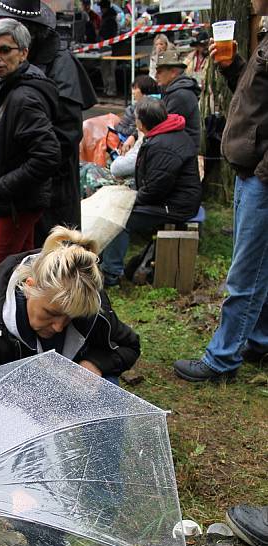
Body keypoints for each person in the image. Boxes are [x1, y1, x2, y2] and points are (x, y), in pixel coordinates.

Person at [174, 5, 268, 383]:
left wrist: (263, 174)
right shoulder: (265, 31)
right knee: (261, 265)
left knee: (245, 272)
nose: (251, 3)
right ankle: (260, 341)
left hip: (261, 176)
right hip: (253, 171)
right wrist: (234, 68)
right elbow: (257, 100)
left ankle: (222, 359)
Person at [0, 0, 97, 242]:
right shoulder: (5, 62)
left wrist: (22, 174)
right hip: (14, 189)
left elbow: (65, 136)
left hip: (50, 187)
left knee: (51, 259)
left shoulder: (60, 63)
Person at [0, 225, 140, 377]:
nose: (58, 327)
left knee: (108, 385)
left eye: (69, 317)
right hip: (15, 399)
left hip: (74, 388)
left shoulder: (88, 302)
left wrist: (96, 363)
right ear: (29, 287)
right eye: (50, 313)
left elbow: (129, 346)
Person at [0, 18, 61, 296]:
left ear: (24, 53)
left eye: (5, 50)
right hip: (18, 200)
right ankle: (23, 330)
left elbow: (48, 155)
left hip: (18, 202)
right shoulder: (6, 86)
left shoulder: (24, 96)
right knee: (22, 271)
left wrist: (4, 184)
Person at [100, 97, 202, 286]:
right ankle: (103, 264)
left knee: (119, 220)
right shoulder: (166, 134)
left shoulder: (162, 145)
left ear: (141, 123)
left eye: (136, 118)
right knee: (115, 206)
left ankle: (110, 274)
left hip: (175, 206)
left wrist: (129, 199)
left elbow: (155, 190)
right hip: (171, 199)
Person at [155, 50, 201, 150]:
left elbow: (163, 126)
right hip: (177, 148)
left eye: (159, 72)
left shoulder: (180, 94)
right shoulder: (171, 89)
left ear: (173, 72)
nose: (156, 75)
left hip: (181, 152)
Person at [98, 0, 118, 97]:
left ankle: (110, 90)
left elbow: (106, 34)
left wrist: (100, 35)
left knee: (107, 70)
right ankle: (109, 89)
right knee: (109, 71)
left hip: (108, 48)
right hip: (112, 47)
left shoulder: (108, 19)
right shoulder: (111, 18)